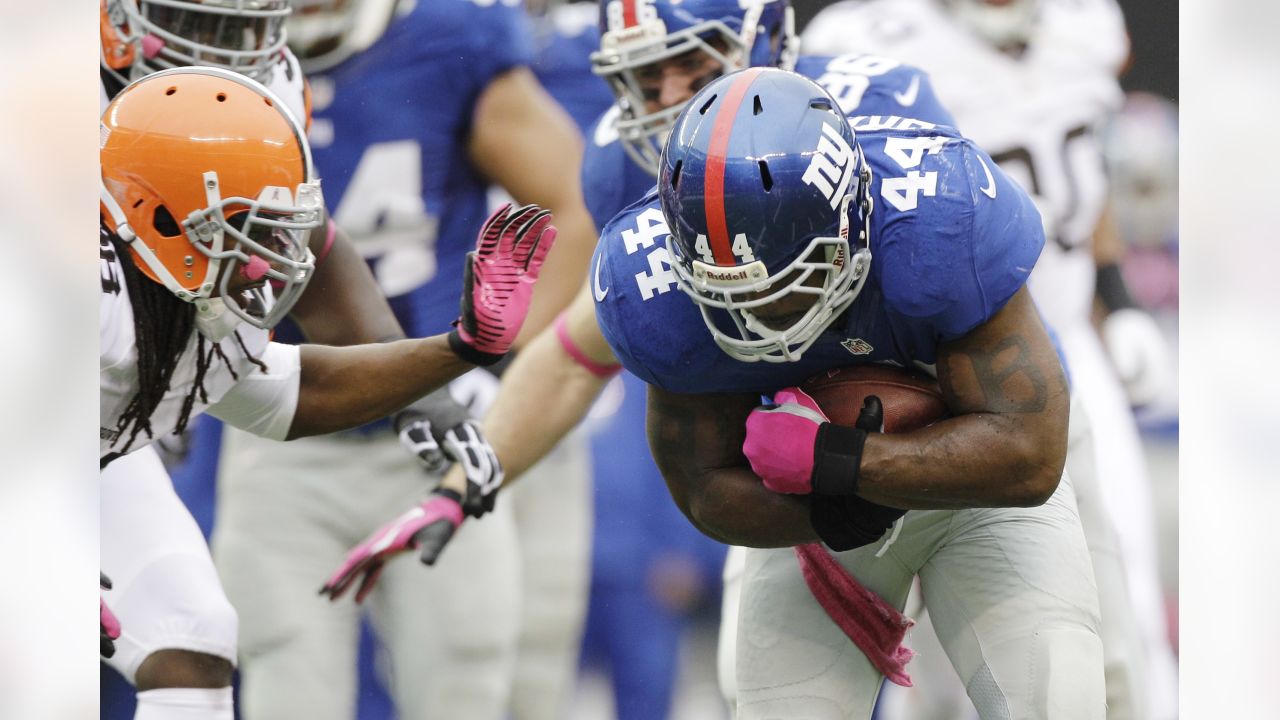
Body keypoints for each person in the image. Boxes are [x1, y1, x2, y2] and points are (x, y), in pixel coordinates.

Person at [331, 66, 1107, 717]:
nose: (760, 319)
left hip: (972, 486)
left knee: (1057, 690)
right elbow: (703, 489)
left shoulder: (940, 215)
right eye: (728, 295)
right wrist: (460, 487)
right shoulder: (651, 280)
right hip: (815, 522)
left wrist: (842, 460)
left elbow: (1029, 456)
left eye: (785, 288)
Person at [99, 66, 554, 719]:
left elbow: (297, 391)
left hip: (95, 457)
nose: (271, 255)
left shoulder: (191, 302)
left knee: (190, 638)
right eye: (244, 227)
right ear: (161, 218)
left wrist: (459, 349)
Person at [209, 1, 598, 719]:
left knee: (465, 679)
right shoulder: (212, 53)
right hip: (282, 430)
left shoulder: (447, 39)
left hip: (438, 432)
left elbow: (574, 203)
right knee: (286, 682)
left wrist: (498, 373)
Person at [802, 1, 1179, 717]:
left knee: (1117, 587)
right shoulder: (864, 41)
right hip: (933, 355)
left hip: (1065, 334)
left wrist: (1115, 294)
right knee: (940, 626)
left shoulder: (1084, 22)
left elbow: (1081, 158)